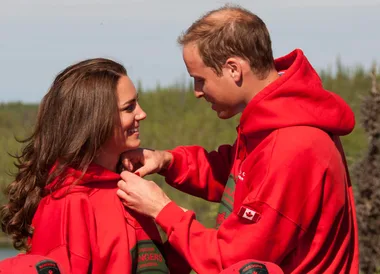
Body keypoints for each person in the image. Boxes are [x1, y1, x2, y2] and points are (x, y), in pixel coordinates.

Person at [116, 4, 359, 274]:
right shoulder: (274, 124)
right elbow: (236, 174)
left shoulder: (292, 148)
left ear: (233, 69)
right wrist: (168, 161)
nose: (197, 92)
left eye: (200, 79)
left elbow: (230, 259)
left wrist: (162, 209)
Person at [0, 58, 189, 273]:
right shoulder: (68, 204)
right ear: (96, 120)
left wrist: (180, 244)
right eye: (129, 108)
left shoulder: (131, 190)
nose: (142, 114)